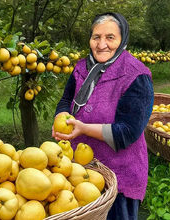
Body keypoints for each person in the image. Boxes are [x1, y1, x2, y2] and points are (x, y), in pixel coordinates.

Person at [52, 12, 154, 220]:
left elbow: (128, 132)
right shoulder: (81, 67)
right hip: (79, 168)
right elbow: (66, 100)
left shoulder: (136, 75)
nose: (101, 44)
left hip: (118, 174)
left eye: (110, 38)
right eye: (96, 37)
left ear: (122, 39)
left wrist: (83, 128)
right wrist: (60, 117)